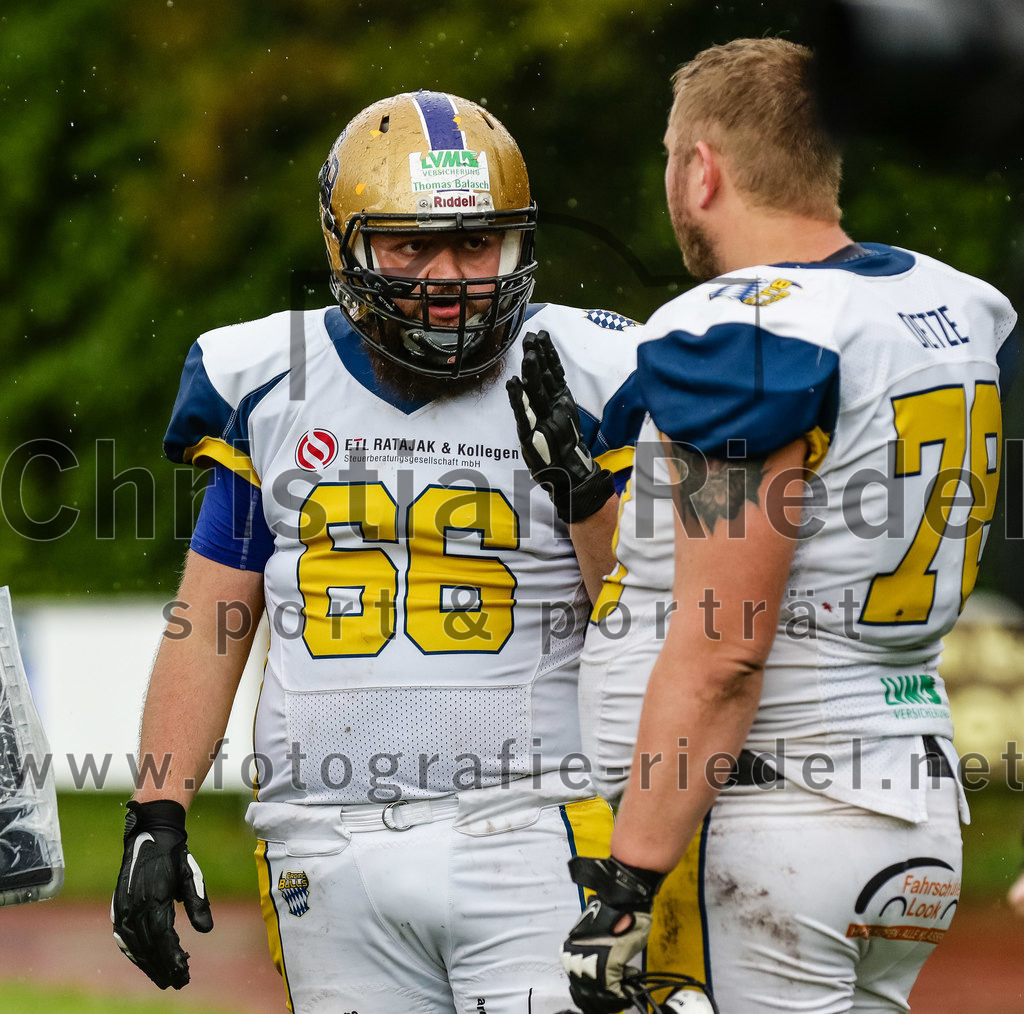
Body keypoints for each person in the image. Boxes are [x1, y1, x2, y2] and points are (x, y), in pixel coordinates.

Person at [110, 90, 648, 1013]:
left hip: (536, 827)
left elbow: (645, 623)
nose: (448, 276)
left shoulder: (590, 375)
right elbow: (211, 619)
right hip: (323, 843)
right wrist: (156, 816)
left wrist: (588, 499)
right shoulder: (270, 382)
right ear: (345, 245)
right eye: (410, 245)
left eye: (477, 244)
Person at [557, 39, 1018, 1014]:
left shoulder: (746, 330)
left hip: (772, 816)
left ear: (700, 167)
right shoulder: (951, 302)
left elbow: (724, 646)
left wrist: (627, 879)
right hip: (908, 807)